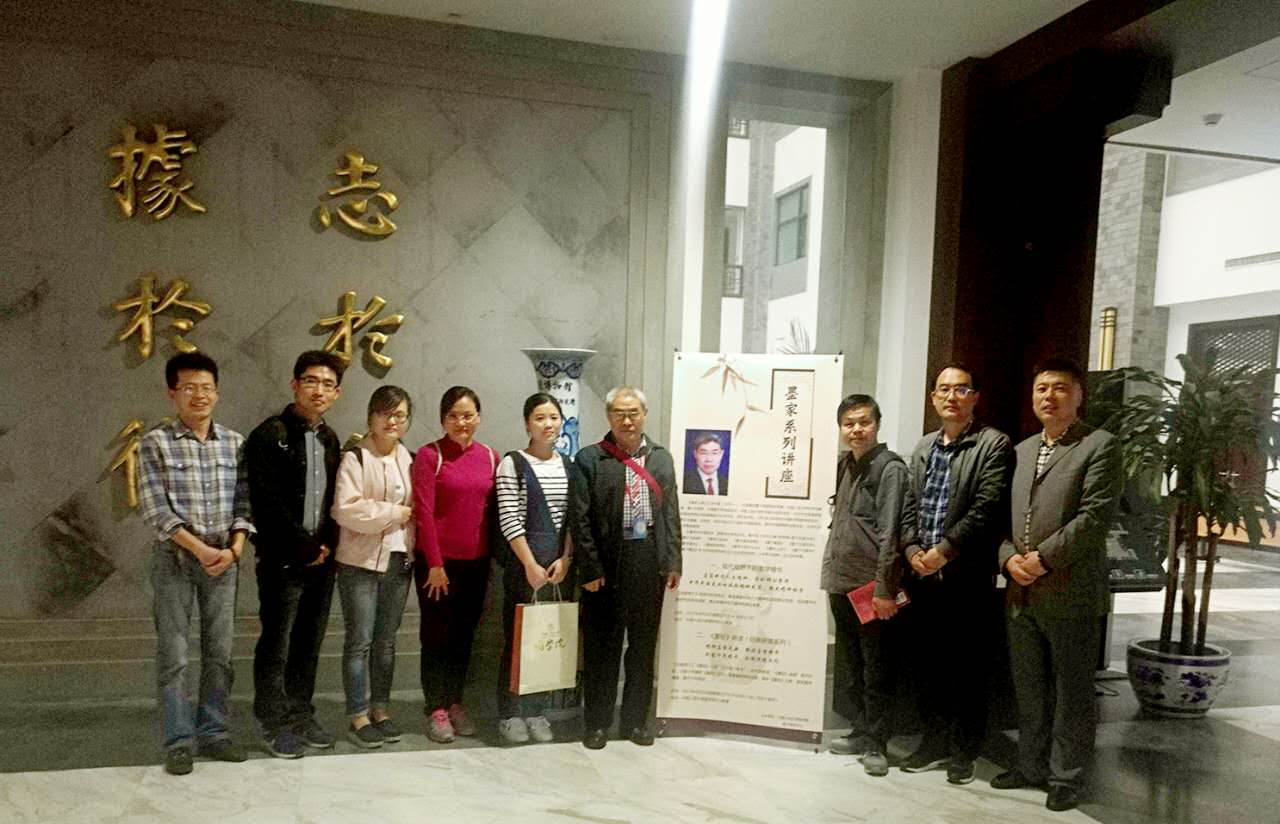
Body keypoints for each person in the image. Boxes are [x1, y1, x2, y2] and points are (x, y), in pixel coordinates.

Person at [992, 358, 1123, 812]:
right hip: (1020, 589)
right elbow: (1002, 519)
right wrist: (1008, 559)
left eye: (1061, 387)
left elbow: (1094, 518)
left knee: (1072, 691)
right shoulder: (1021, 449)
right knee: (1028, 687)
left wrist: (1042, 559)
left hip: (1071, 590)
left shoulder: (1100, 445)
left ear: (1080, 395)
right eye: (1042, 388)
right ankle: (1030, 765)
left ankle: (1066, 776)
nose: (1049, 396)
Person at [137, 352, 254, 776]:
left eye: (206, 387)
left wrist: (234, 549)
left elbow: (246, 503)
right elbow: (156, 511)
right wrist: (200, 550)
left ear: (217, 393)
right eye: (189, 388)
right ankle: (179, 741)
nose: (199, 395)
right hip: (176, 560)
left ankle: (215, 733)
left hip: (224, 559)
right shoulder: (154, 443)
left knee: (219, 654)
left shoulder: (235, 444)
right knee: (175, 655)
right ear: (173, 394)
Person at [898, 365, 1013, 785]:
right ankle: (933, 742)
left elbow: (986, 508)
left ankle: (965, 749)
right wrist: (912, 549)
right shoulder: (924, 446)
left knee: (968, 666)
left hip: (966, 575)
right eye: (944, 390)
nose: (951, 397)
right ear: (933, 398)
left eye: (961, 389)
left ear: (975, 397)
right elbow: (909, 505)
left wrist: (944, 551)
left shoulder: (993, 444)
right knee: (927, 664)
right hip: (921, 575)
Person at [570, 386, 682, 750]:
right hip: (605, 565)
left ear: (644, 415)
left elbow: (670, 513)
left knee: (642, 648)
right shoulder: (590, 459)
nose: (627, 420)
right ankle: (597, 723)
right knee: (602, 647)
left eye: (633, 412)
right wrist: (590, 569)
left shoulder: (661, 459)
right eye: (619, 413)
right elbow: (580, 519)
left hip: (648, 561)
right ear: (609, 417)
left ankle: (635, 721)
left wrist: (673, 560)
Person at [246, 350, 345, 759]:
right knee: (277, 642)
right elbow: (265, 501)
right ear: (294, 385)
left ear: (337, 393)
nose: (318, 390)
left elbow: (334, 499)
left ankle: (301, 713)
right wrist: (302, 546)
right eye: (311, 381)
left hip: (322, 561)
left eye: (328, 384)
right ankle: (272, 721)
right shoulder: (269, 435)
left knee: (308, 643)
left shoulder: (330, 439)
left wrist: (326, 546)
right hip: (282, 560)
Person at [821, 393, 913, 777]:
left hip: (870, 587)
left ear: (877, 424)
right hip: (841, 582)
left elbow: (891, 533)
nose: (856, 429)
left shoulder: (890, 469)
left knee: (877, 669)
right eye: (849, 423)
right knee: (853, 666)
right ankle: (860, 731)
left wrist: (884, 588)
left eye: (864, 422)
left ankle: (877, 743)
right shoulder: (846, 464)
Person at [411, 386, 499, 743]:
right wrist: (434, 562)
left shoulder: (490, 456)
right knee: (436, 636)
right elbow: (424, 512)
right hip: (437, 566)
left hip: (476, 563)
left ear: (478, 417)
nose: (461, 422)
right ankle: (435, 707)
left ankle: (455, 701)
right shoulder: (429, 456)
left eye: (467, 415)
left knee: (464, 637)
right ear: (443, 419)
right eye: (453, 416)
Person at [331, 386, 416, 749]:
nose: (392, 420)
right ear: (371, 417)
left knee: (386, 641)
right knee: (360, 641)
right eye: (385, 413)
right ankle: (358, 714)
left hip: (399, 560)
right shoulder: (356, 458)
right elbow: (346, 510)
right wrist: (395, 513)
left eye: (399, 415)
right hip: (359, 562)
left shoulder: (410, 459)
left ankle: (381, 709)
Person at [494, 392, 574, 744]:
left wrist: (566, 558)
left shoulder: (568, 465)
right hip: (523, 566)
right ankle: (510, 712)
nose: (548, 424)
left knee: (547, 639)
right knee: (517, 639)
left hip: (558, 568)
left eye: (554, 417)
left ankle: (537, 710)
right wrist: (529, 564)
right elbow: (509, 518)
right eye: (540, 418)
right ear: (527, 424)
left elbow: (574, 518)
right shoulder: (512, 463)